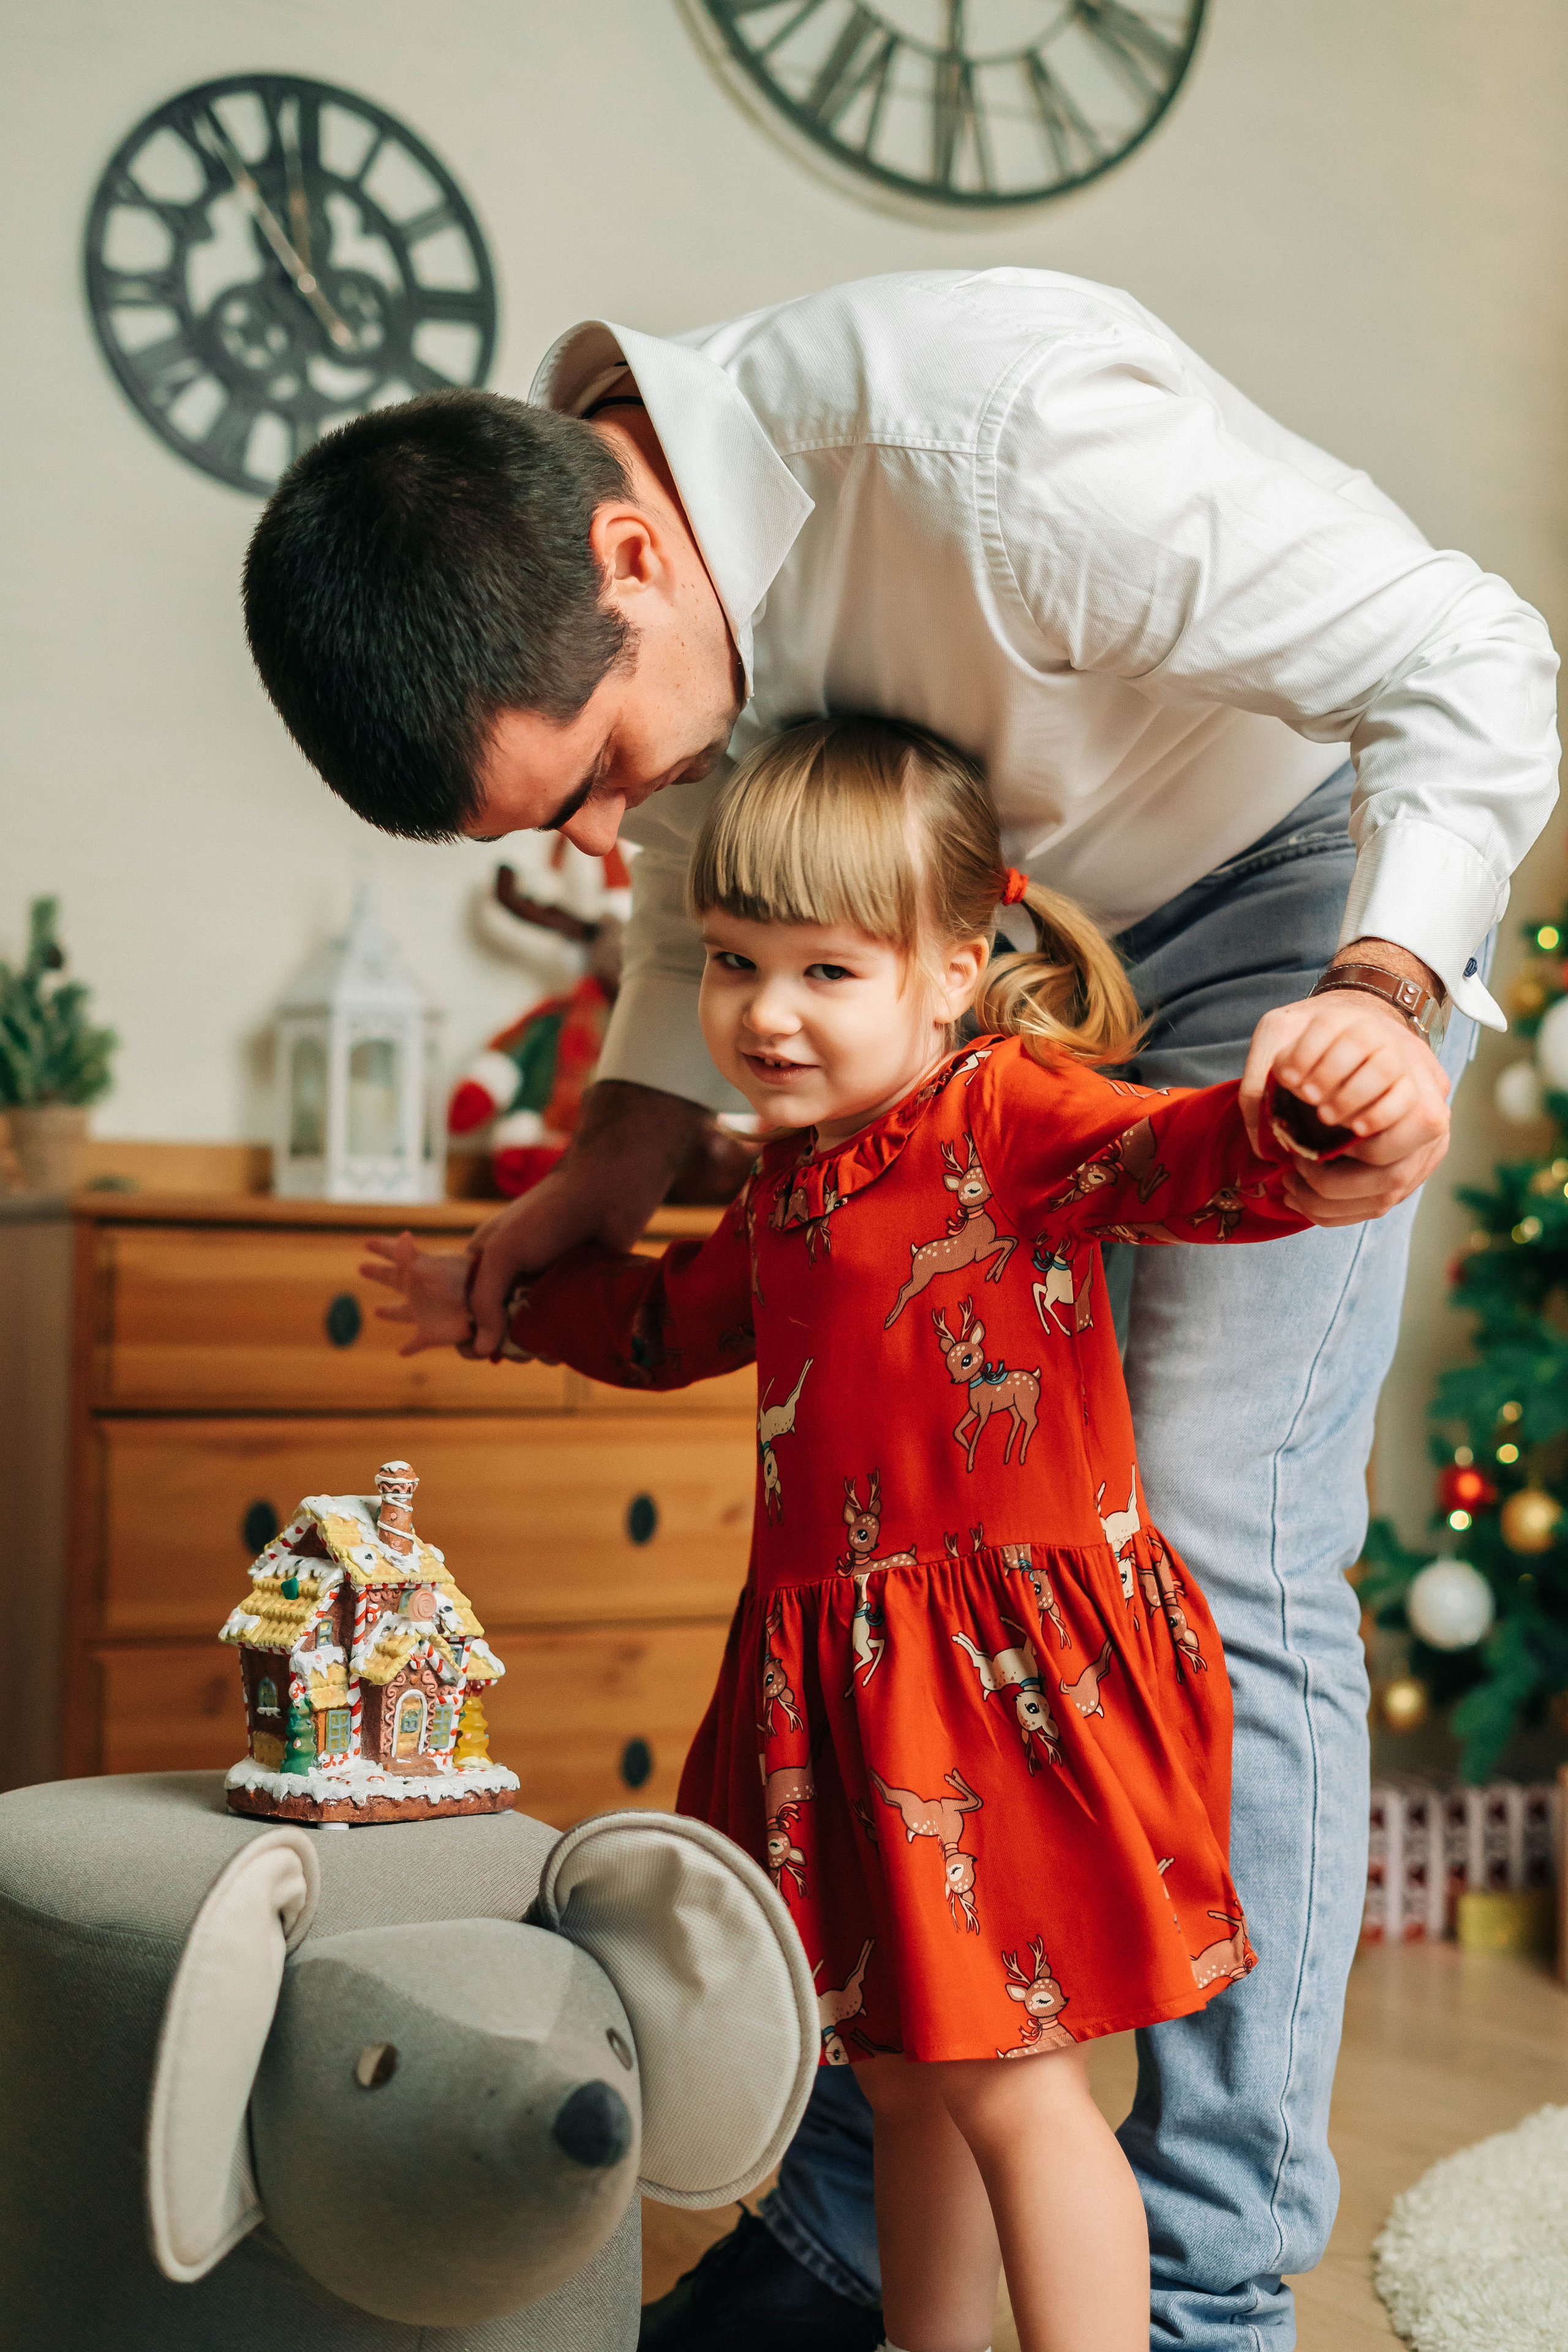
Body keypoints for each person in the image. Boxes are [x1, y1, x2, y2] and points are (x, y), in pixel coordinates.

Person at [242, 270, 1559, 2350]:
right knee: (901, 1863)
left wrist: (1378, 1007)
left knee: (1218, 1530)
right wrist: (606, 1169)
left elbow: (1474, 649)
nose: (607, 853)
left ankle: (1210, 2269)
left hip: (1278, 890)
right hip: (936, 966)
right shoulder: (651, 638)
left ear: (631, 548)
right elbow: (711, 889)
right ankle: (863, 2233)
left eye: (590, 782)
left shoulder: (996, 439)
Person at [362, 718, 1423, 2352]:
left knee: (1010, 2095)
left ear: (952, 968)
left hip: (993, 1701)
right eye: (730, 960)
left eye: (824, 971)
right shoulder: (787, 1185)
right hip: (845, 1706)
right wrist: (496, 1305)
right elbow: (663, 1326)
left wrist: (1319, 1111)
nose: (764, 1012)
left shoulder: (1007, 1115)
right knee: (914, 2086)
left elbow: (1185, 1159)